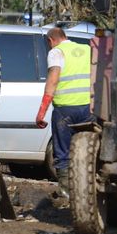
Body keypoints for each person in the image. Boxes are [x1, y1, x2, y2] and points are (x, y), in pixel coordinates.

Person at [35, 27, 94, 198]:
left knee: (63, 152)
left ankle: (66, 191)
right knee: (89, 148)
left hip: (65, 110)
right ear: (65, 37)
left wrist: (41, 112)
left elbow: (53, 80)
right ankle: (88, 190)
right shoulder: (86, 49)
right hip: (88, 108)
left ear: (50, 40)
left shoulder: (56, 52)